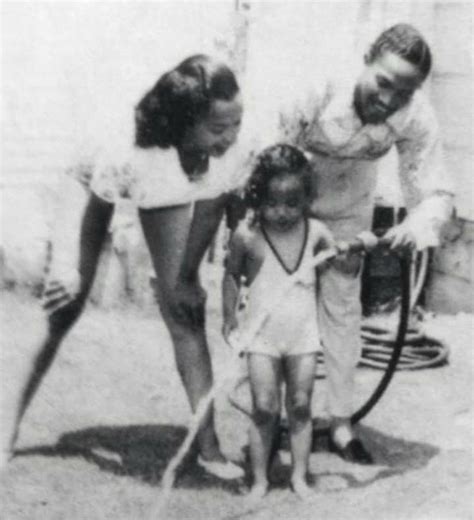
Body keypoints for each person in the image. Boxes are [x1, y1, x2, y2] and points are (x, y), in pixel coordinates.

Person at [6, 55, 246, 479]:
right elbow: (95, 210)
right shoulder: (130, 152)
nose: (230, 137)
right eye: (218, 128)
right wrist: (67, 266)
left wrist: (188, 279)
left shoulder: (228, 151)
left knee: (184, 311)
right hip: (88, 189)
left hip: (164, 185)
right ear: (184, 121)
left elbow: (210, 210)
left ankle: (208, 448)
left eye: (235, 124)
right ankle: (5, 424)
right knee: (66, 306)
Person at [270, 23, 455, 463]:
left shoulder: (416, 115)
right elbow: (273, 152)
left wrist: (417, 225)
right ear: (367, 58)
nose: (389, 100)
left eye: (404, 92)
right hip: (292, 192)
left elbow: (436, 191)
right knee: (280, 305)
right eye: (383, 83)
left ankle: (339, 423)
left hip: (352, 199)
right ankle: (273, 416)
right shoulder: (317, 83)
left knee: (342, 311)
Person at [222, 145, 335, 500]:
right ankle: (259, 480)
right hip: (262, 338)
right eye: (272, 203)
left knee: (301, 405)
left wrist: (351, 255)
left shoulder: (316, 232)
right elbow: (230, 275)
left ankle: (300, 477)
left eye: (292, 203)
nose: (282, 212)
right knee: (264, 406)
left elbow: (338, 268)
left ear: (306, 199)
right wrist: (228, 317)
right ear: (258, 197)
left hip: (303, 336)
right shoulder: (247, 235)